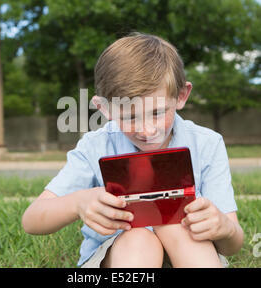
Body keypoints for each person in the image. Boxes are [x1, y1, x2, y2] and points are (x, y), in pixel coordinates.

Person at [21, 32, 244, 268]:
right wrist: (78, 202)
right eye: (130, 116)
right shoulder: (97, 145)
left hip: (187, 255)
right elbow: (32, 220)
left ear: (181, 96)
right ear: (104, 108)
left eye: (157, 113)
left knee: (179, 227)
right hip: (125, 258)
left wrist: (224, 227)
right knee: (140, 240)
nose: (147, 130)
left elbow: (233, 245)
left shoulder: (207, 144)